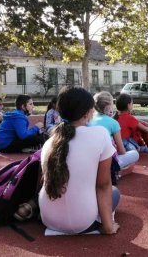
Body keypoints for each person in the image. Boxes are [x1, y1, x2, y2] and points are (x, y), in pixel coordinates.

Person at [39, 87, 120, 235]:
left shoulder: (50, 141)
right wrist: (108, 227)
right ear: (89, 112)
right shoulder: (100, 134)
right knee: (114, 192)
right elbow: (103, 185)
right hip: (83, 222)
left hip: (47, 219)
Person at [89, 91, 139, 172]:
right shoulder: (113, 123)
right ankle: (117, 172)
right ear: (109, 106)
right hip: (108, 162)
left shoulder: (89, 120)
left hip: (91, 160)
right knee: (135, 154)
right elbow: (121, 150)